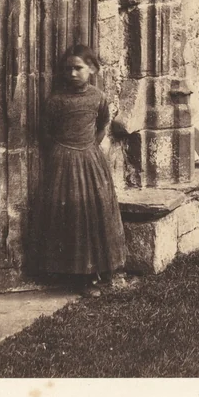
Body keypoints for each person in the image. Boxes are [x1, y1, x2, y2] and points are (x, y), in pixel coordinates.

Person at [35, 45, 127, 291]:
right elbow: (45, 132)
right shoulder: (56, 101)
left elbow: (102, 124)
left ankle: (102, 268)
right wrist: (65, 151)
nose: (72, 73)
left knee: (96, 210)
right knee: (72, 215)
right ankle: (77, 275)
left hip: (90, 159)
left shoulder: (97, 97)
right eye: (68, 69)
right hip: (63, 161)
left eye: (78, 68)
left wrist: (88, 149)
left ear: (92, 69)